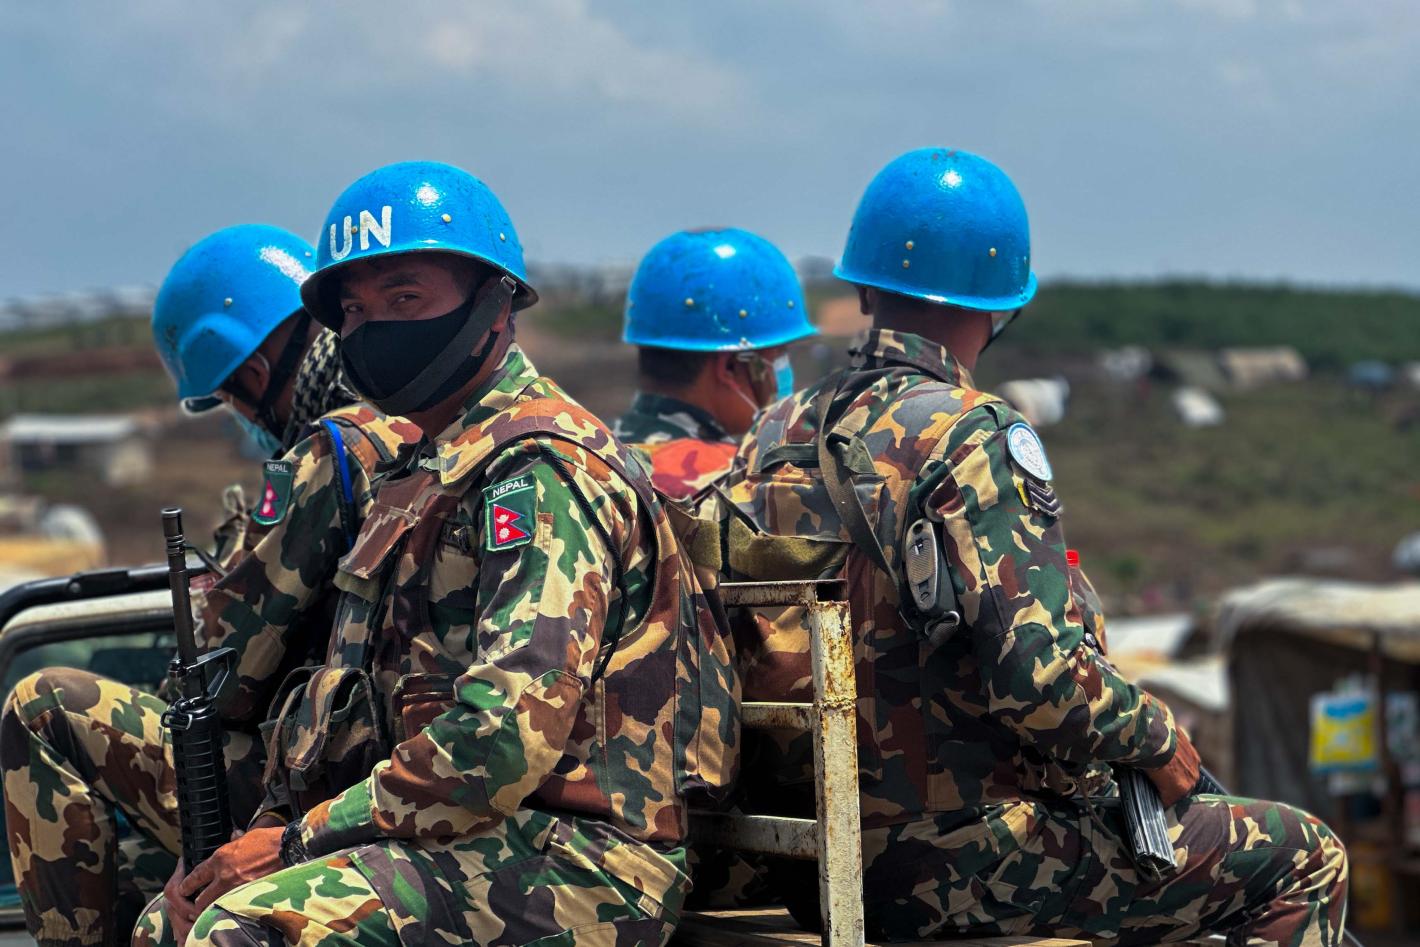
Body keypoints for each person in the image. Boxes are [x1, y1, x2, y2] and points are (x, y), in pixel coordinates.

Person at [719, 148, 1349, 946]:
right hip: (958, 860)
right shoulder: (972, 434)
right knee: (1306, 856)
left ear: (866, 288)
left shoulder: (772, 431)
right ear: (1002, 305)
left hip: (809, 860)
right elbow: (1039, 680)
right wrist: (1157, 736)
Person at [135, 161, 737, 947]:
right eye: (355, 310)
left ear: (495, 300)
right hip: (454, 835)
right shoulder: (417, 472)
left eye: (405, 298)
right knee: (170, 919)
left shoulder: (541, 467)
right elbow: (350, 706)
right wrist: (258, 840)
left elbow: (504, 733)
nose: (372, 328)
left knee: (245, 930)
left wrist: (294, 844)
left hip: (579, 862)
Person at [0, 224, 420, 947]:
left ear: (253, 373)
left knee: (42, 705)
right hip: (369, 768)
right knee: (142, 879)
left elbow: (230, 664)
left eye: (228, 396)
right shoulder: (418, 428)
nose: (240, 415)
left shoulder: (331, 449)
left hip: (325, 779)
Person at [614, 227, 814, 499]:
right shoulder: (739, 484)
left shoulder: (592, 454)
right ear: (730, 367)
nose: (784, 370)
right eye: (778, 354)